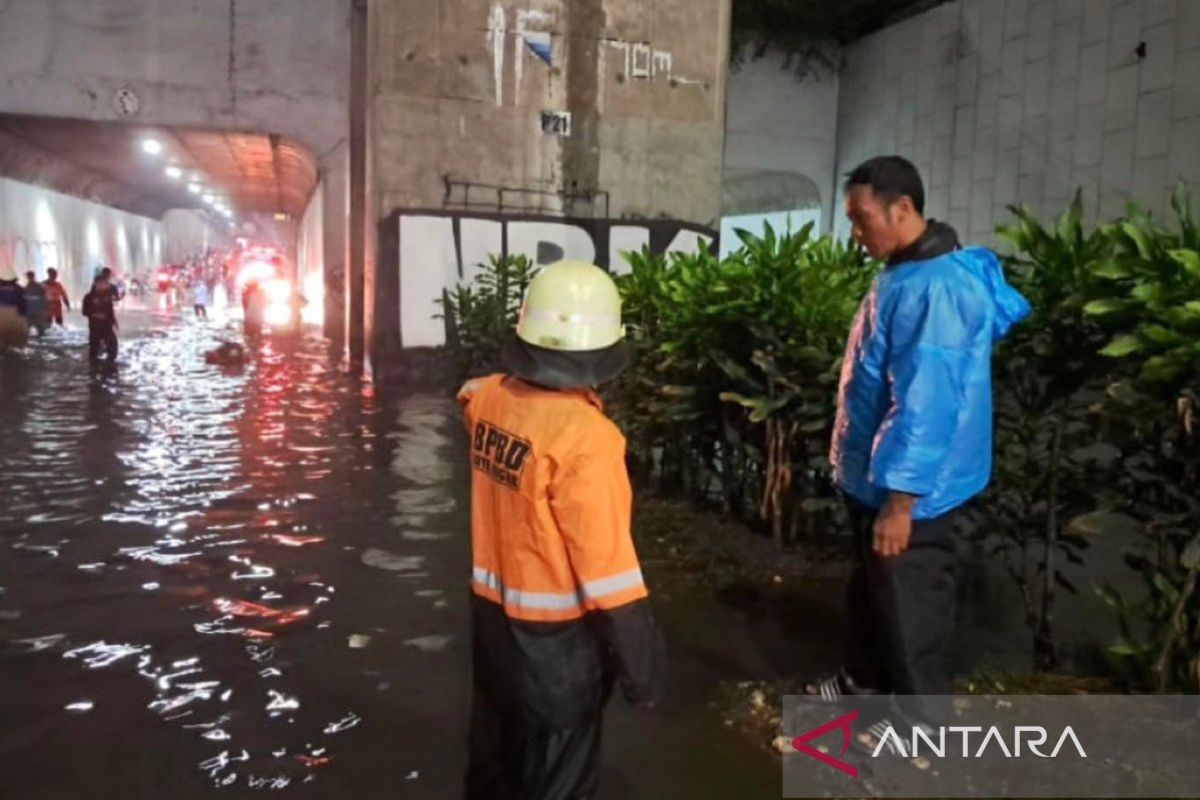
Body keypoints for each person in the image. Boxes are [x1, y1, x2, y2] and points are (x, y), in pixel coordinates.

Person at [814, 156, 1030, 738]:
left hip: (909, 490)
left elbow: (927, 406)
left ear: (902, 209)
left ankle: (920, 722)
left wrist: (901, 503)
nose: (856, 235)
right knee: (875, 589)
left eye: (862, 220)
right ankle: (863, 683)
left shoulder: (936, 290)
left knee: (911, 608)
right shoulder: (909, 273)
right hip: (874, 479)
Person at [459, 260, 666, 800]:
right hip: (555, 655)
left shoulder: (489, 402)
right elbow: (609, 574)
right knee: (557, 781)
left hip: (492, 631)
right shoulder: (588, 439)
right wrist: (642, 670)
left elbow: (470, 393)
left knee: (495, 767)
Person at [82, 272, 119, 362]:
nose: (104, 286)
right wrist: (95, 315)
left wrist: (114, 321)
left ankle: (109, 367)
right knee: (94, 349)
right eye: (102, 283)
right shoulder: (88, 297)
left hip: (107, 326)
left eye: (105, 283)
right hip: (95, 327)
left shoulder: (108, 297)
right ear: (96, 284)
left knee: (113, 347)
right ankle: (93, 369)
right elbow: (84, 312)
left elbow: (110, 311)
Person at [0, 267, 30, 350]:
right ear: (14, 279)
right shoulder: (19, 290)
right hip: (16, 319)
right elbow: (24, 307)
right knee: (17, 347)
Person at [24, 271, 49, 338]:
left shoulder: (38, 286)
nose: (28, 278)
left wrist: (45, 307)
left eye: (28, 276)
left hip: (36, 310)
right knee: (30, 326)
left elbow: (44, 297)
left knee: (39, 327)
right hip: (32, 310)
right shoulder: (27, 287)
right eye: (27, 277)